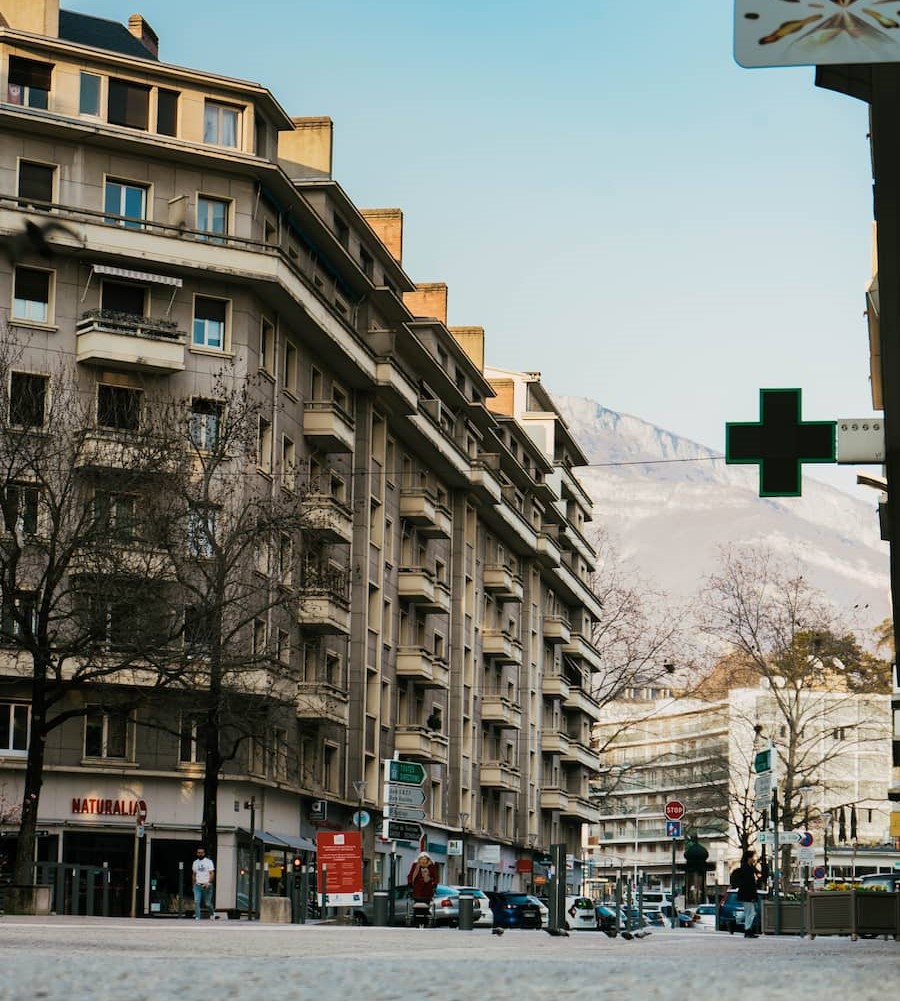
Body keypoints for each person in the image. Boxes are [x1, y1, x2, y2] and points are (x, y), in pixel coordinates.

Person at [730, 849, 761, 938]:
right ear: (749, 858)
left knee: (749, 912)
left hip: (746, 894)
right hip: (747, 894)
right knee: (751, 913)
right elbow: (749, 883)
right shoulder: (746, 868)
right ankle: (747, 930)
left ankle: (736, 924)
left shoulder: (748, 867)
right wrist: (752, 896)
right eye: (752, 857)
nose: (753, 859)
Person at [407, 851, 438, 927]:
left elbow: (435, 877)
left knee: (425, 908)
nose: (423, 861)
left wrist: (434, 884)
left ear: (428, 860)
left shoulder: (431, 866)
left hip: (427, 891)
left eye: (425, 859)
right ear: (419, 859)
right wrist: (410, 884)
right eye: (421, 859)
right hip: (417, 890)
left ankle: (425, 921)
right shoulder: (415, 866)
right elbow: (410, 875)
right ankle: (416, 922)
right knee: (417, 907)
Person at [192, 845, 216, 920]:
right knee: (196, 901)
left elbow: (212, 873)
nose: (200, 854)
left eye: (201, 853)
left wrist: (208, 882)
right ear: (197, 853)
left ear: (204, 853)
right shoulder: (195, 863)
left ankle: (212, 914)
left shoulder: (209, 862)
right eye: (198, 853)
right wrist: (193, 884)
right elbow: (194, 874)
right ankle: (197, 917)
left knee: (208, 903)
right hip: (197, 885)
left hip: (207, 885)